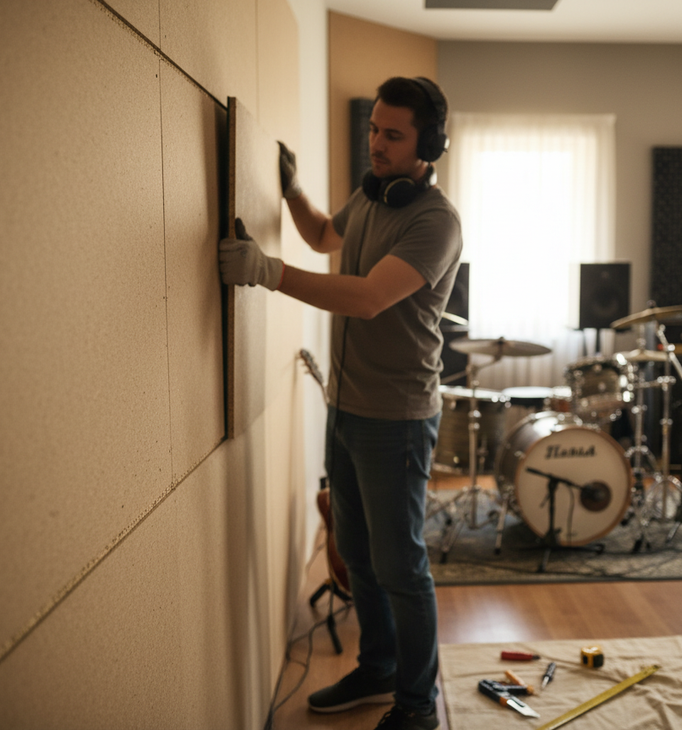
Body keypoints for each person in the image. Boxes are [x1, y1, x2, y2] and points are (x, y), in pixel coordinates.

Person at [219, 76, 462, 730]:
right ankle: (378, 665)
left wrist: (265, 271)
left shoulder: (435, 221)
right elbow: (327, 237)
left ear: (427, 144)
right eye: (373, 128)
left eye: (392, 134)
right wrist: (292, 190)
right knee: (356, 552)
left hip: (399, 420)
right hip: (348, 406)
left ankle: (416, 708)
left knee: (401, 567)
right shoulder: (372, 192)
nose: (375, 143)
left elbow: (365, 296)